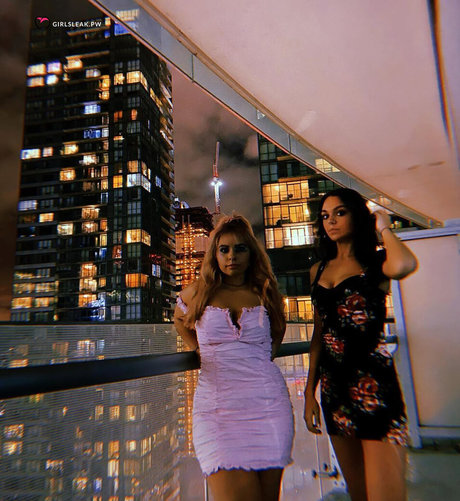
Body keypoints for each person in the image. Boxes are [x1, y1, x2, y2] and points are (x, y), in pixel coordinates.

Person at [303, 188, 417, 501]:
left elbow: (406, 265)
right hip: (333, 390)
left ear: (357, 216)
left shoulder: (377, 262)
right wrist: (309, 392)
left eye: (340, 212)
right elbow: (318, 335)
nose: (331, 221)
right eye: (325, 216)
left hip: (374, 387)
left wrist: (384, 227)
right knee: (358, 494)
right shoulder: (318, 270)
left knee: (386, 494)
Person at [174, 214, 294, 501]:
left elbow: (278, 330)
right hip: (217, 410)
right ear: (214, 254)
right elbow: (178, 319)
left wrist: (260, 358)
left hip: (268, 406)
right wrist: (198, 348)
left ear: (251, 253)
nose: (231, 256)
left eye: (240, 248)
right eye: (224, 249)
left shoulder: (264, 291)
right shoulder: (199, 291)